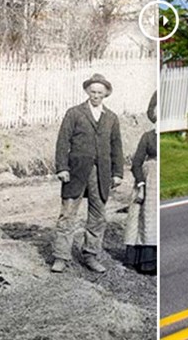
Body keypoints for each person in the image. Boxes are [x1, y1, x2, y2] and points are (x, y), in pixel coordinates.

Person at [51, 73, 124, 273]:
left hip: (101, 174)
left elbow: (116, 146)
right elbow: (62, 141)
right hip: (75, 172)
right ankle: (60, 257)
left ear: (106, 94)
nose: (96, 95)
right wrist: (62, 168)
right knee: (68, 214)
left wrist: (117, 173)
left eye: (100, 92)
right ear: (87, 91)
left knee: (98, 216)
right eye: (93, 91)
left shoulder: (111, 118)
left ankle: (91, 255)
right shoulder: (74, 113)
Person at [124, 90, 157, 274]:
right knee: (144, 217)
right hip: (150, 179)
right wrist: (141, 183)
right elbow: (136, 163)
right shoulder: (148, 137)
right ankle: (145, 260)